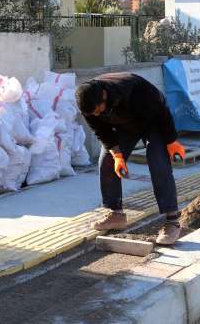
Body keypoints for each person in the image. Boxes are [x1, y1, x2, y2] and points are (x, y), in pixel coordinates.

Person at [76, 73, 186, 245]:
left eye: (99, 110)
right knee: (107, 161)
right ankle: (116, 214)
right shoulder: (88, 103)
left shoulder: (133, 89)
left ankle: (172, 221)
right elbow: (101, 131)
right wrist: (117, 154)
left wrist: (171, 141)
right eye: (94, 113)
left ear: (104, 96)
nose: (97, 115)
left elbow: (161, 113)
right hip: (126, 124)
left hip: (153, 120)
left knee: (158, 163)